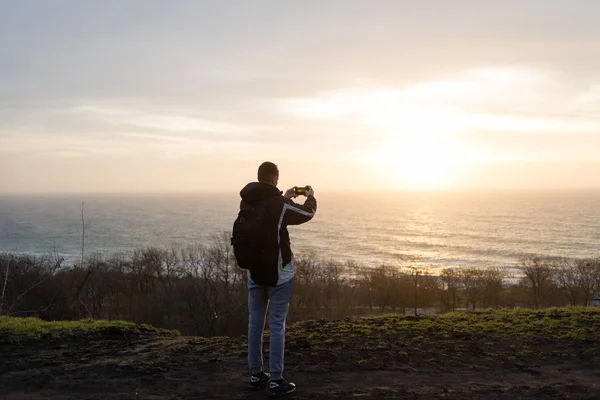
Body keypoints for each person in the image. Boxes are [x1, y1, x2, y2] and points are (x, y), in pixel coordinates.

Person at [238, 161, 316, 397]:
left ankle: (255, 374)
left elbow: (270, 208)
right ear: (274, 179)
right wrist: (310, 196)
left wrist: (284, 196)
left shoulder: (247, 200)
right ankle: (276, 379)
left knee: (255, 323)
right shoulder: (279, 204)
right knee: (276, 324)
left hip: (253, 272)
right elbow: (306, 213)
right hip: (278, 275)